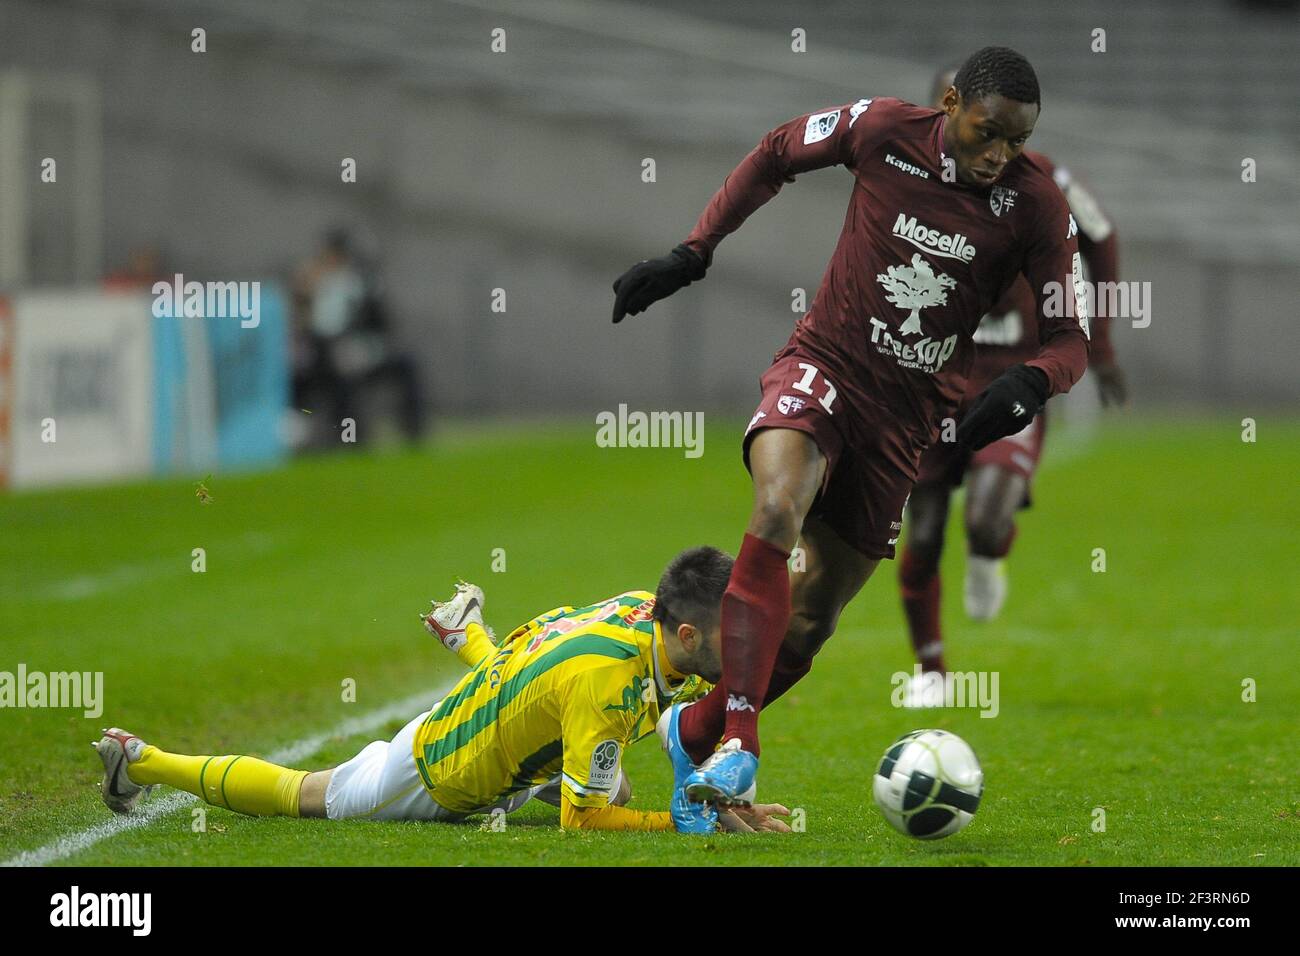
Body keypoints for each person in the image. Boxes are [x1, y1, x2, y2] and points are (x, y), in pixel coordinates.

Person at [610, 47, 1092, 815]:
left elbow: (1072, 338)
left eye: (1017, 141)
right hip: (823, 366)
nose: (1000, 154)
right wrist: (694, 249)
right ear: (953, 100)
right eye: (987, 131)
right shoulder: (881, 129)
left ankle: (694, 734)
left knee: (811, 620)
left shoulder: (1034, 204)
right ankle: (741, 744)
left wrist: (1031, 382)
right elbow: (777, 153)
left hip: (904, 421)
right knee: (776, 508)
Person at [92, 547, 789, 833]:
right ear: (688, 636)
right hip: (443, 770)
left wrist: (711, 795)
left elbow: (536, 648)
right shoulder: (609, 688)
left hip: (524, 728)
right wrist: (683, 822)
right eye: (731, 636)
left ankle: (469, 635)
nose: (744, 650)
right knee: (305, 793)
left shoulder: (644, 609)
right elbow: (583, 827)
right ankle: (143, 761)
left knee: (612, 780)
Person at [896, 66, 1128, 706]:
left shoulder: (1040, 180)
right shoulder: (906, 175)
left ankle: (989, 552)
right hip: (931, 377)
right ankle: (931, 672)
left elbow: (1101, 234)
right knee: (919, 532)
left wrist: (1098, 345)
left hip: (1011, 374)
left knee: (987, 517)